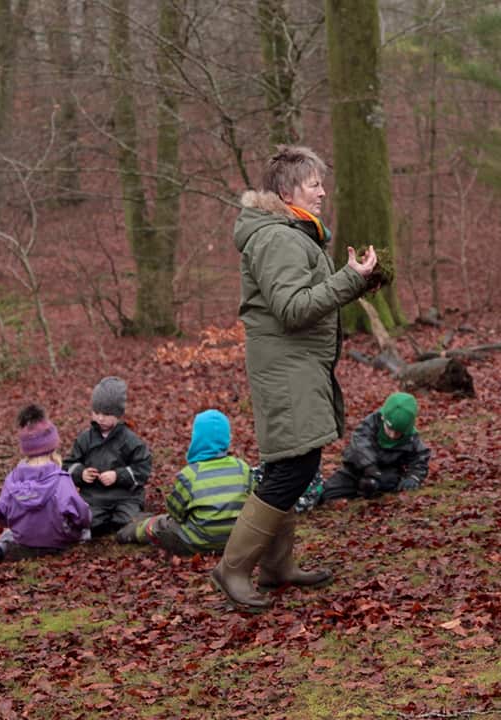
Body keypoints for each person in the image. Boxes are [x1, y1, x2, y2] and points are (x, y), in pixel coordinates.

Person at [212, 145, 378, 611]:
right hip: (286, 366)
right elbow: (292, 308)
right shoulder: (278, 239)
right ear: (287, 192)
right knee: (292, 467)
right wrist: (348, 278)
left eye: (322, 183)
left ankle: (277, 566)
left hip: (297, 365)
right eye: (313, 184)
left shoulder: (291, 234)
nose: (323, 191)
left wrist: (351, 278)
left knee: (294, 462)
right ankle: (233, 569)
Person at [0, 405, 91, 563]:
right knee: (85, 531)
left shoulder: (13, 479)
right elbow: (79, 513)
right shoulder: (60, 479)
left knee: (9, 532)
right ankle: (34, 544)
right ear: (52, 448)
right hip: (57, 539)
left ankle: (1, 547)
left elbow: (0, 513)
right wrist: (86, 520)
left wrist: (18, 521)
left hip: (24, 537)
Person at [115, 409, 254, 555]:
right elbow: (253, 501)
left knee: (161, 524)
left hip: (197, 543)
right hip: (236, 540)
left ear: (197, 439)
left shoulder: (190, 474)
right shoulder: (242, 467)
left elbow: (175, 513)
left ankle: (128, 533)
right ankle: (141, 520)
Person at [63, 376, 153, 537]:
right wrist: (81, 473)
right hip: (94, 497)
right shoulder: (85, 439)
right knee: (85, 520)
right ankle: (99, 524)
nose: (100, 418)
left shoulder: (129, 440)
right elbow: (68, 465)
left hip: (125, 496)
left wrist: (118, 475)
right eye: (96, 412)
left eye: (106, 413)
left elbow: (143, 468)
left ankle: (134, 524)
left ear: (118, 414)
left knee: (130, 520)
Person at [313, 392, 431, 506]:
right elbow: (360, 444)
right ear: (383, 417)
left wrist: (413, 477)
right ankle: (361, 489)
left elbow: (420, 457)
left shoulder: (411, 438)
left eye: (398, 433)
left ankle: (372, 491)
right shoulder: (371, 423)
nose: (392, 435)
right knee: (328, 492)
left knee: (390, 483)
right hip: (357, 469)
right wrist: (369, 467)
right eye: (390, 429)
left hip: (386, 473)